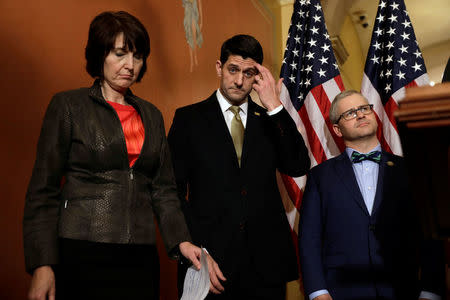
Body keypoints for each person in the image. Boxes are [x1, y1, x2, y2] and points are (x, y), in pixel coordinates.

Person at [23, 11, 205, 300]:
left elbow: (164, 190)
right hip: (81, 251)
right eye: (120, 54)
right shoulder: (68, 107)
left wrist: (181, 240)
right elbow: (42, 191)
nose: (129, 65)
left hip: (141, 256)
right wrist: (42, 265)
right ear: (100, 55)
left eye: (138, 56)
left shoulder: (152, 115)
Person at [168, 34, 310, 299]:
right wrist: (198, 250)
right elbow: (172, 191)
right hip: (210, 263)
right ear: (219, 67)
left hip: (266, 268)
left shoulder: (270, 119)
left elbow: (298, 164)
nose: (239, 80)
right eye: (233, 69)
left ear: (258, 76)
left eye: (249, 73)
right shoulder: (189, 119)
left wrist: (274, 105)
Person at [298, 90, 443, 300]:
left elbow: (430, 236)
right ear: (337, 130)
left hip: (403, 291)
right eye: (350, 112)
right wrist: (318, 293)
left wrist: (431, 291)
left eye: (365, 108)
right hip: (341, 293)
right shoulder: (319, 177)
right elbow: (309, 240)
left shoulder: (411, 169)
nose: (360, 115)